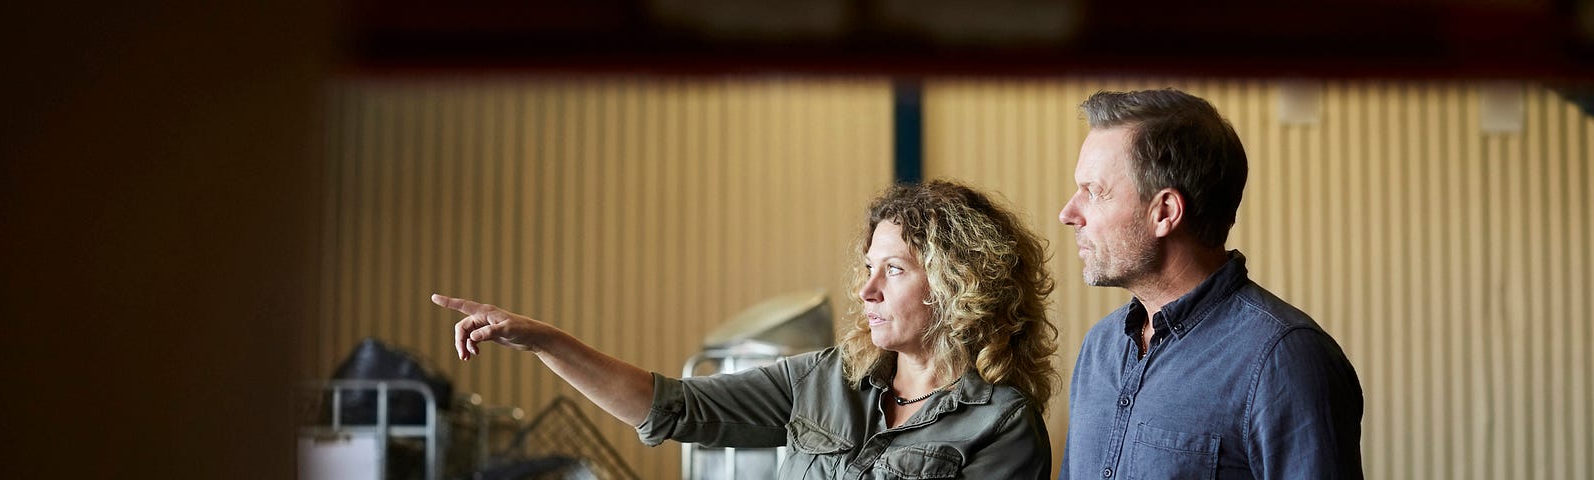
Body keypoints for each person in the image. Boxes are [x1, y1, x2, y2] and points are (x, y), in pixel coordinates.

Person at [434, 180, 1060, 479]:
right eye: (867, 269)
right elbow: (671, 407)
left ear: (958, 285)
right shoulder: (823, 379)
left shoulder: (1001, 424)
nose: (866, 290)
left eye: (892, 271)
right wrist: (545, 340)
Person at [1055, 89, 1363, 479]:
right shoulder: (1100, 347)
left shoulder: (1286, 360)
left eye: (1093, 192)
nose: (1069, 213)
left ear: (1164, 212)